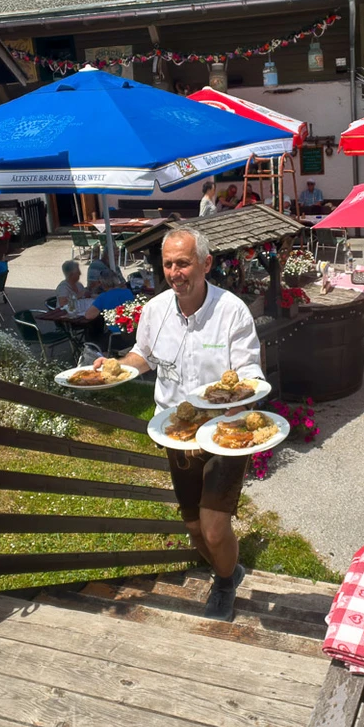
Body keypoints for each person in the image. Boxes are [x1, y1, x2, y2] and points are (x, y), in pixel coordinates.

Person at [96, 228, 259, 621]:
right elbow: (143, 355)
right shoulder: (155, 310)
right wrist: (116, 366)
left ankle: (224, 583)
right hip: (175, 432)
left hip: (225, 431)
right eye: (168, 264)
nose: (174, 272)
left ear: (206, 263)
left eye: (183, 263)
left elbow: (251, 372)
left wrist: (239, 400)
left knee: (214, 528)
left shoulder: (231, 311)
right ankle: (229, 568)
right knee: (194, 527)